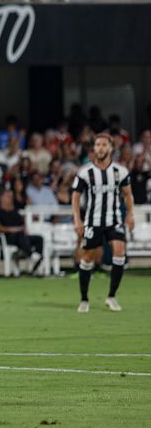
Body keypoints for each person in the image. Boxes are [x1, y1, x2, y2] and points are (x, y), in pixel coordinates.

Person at [72, 133, 134, 313]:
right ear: (94, 149)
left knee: (119, 252)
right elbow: (75, 197)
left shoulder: (120, 171)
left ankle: (112, 296)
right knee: (87, 258)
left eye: (104, 145)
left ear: (111, 148)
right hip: (93, 221)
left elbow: (128, 194)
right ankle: (84, 299)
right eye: (97, 145)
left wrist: (130, 215)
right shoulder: (85, 172)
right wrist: (78, 219)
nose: (100, 148)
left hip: (114, 219)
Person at [0, 190, 45, 274]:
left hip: (21, 237)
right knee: (19, 234)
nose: (10, 199)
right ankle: (31, 255)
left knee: (39, 238)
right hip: (8, 238)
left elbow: (22, 225)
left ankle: (35, 264)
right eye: (7, 197)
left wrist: (23, 228)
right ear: (1, 198)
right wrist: (12, 230)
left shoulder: (15, 212)